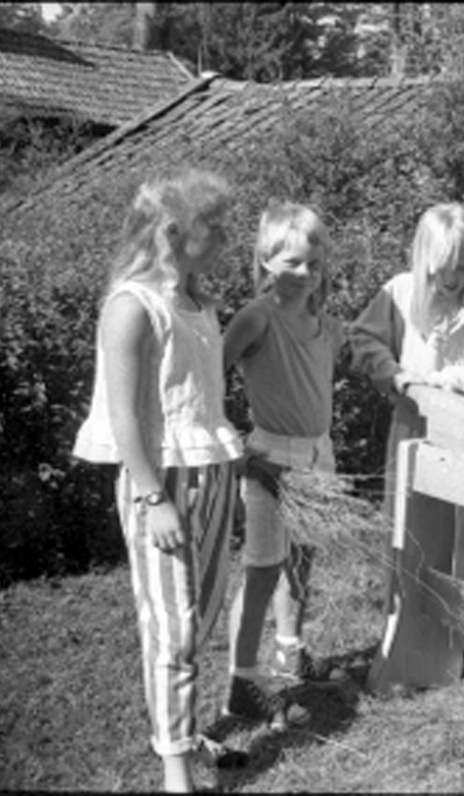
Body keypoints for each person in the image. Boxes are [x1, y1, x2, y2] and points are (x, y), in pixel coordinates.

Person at [72, 168, 246, 792]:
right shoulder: (132, 306)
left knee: (201, 615)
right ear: (173, 231)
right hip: (160, 483)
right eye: (214, 226)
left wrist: (228, 467)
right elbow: (124, 416)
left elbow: (199, 400)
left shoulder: (199, 304)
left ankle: (185, 729)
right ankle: (176, 768)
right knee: (171, 627)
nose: (226, 237)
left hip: (211, 473)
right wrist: (153, 497)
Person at [349, 202, 464, 693]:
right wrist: (397, 375)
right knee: (408, 533)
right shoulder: (399, 293)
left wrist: (463, 385)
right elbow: (364, 340)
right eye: (445, 268)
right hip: (412, 429)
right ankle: (407, 640)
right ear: (425, 261)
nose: (455, 277)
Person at [222, 201, 347, 726]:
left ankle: (290, 652)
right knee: (262, 569)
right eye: (291, 262)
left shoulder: (324, 323)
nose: (304, 273)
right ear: (266, 261)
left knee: (301, 561)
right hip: (270, 462)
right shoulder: (256, 317)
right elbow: (208, 377)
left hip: (317, 455)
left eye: (314, 264)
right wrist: (230, 442)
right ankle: (242, 681)